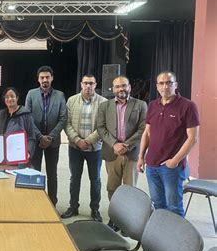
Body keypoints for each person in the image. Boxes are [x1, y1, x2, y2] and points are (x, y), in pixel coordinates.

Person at [138, 71, 199, 217]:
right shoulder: (153, 105)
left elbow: (192, 138)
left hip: (171, 167)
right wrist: (141, 156)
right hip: (151, 165)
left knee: (174, 208)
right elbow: (147, 133)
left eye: (169, 83)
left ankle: (176, 239)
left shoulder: (188, 106)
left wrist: (175, 161)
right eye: (161, 83)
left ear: (175, 85)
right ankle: (161, 236)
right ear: (157, 86)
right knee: (158, 204)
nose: (165, 86)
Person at [97, 75, 147, 229]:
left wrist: (126, 145)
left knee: (129, 189)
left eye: (124, 86)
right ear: (113, 89)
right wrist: (114, 144)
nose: (121, 89)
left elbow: (143, 128)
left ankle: (127, 221)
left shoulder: (141, 105)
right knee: (112, 187)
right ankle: (114, 217)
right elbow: (101, 128)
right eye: (117, 87)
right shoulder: (104, 106)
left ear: (129, 87)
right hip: (112, 153)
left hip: (131, 154)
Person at [62, 75, 107, 222]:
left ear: (95, 85)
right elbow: (66, 123)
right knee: (74, 178)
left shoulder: (103, 103)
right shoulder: (71, 100)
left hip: (95, 149)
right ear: (81, 84)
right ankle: (73, 207)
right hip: (75, 148)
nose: (88, 86)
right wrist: (77, 140)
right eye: (86, 83)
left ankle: (95, 210)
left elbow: (102, 127)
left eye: (91, 83)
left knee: (95, 180)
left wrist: (88, 141)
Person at [25, 66, 67, 206]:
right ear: (38, 79)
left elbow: (63, 119)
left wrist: (50, 137)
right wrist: (39, 137)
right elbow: (28, 117)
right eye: (42, 77)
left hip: (53, 142)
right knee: (35, 173)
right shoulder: (31, 94)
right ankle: (35, 203)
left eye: (47, 77)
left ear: (52, 78)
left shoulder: (60, 95)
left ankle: (52, 204)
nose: (45, 80)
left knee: (52, 174)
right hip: (35, 142)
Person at [0, 87, 36, 162]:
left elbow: (31, 137)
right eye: (7, 97)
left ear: (17, 98)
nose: (9, 99)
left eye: (12, 96)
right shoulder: (2, 114)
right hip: (2, 156)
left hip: (19, 156)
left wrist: (28, 152)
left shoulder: (26, 115)